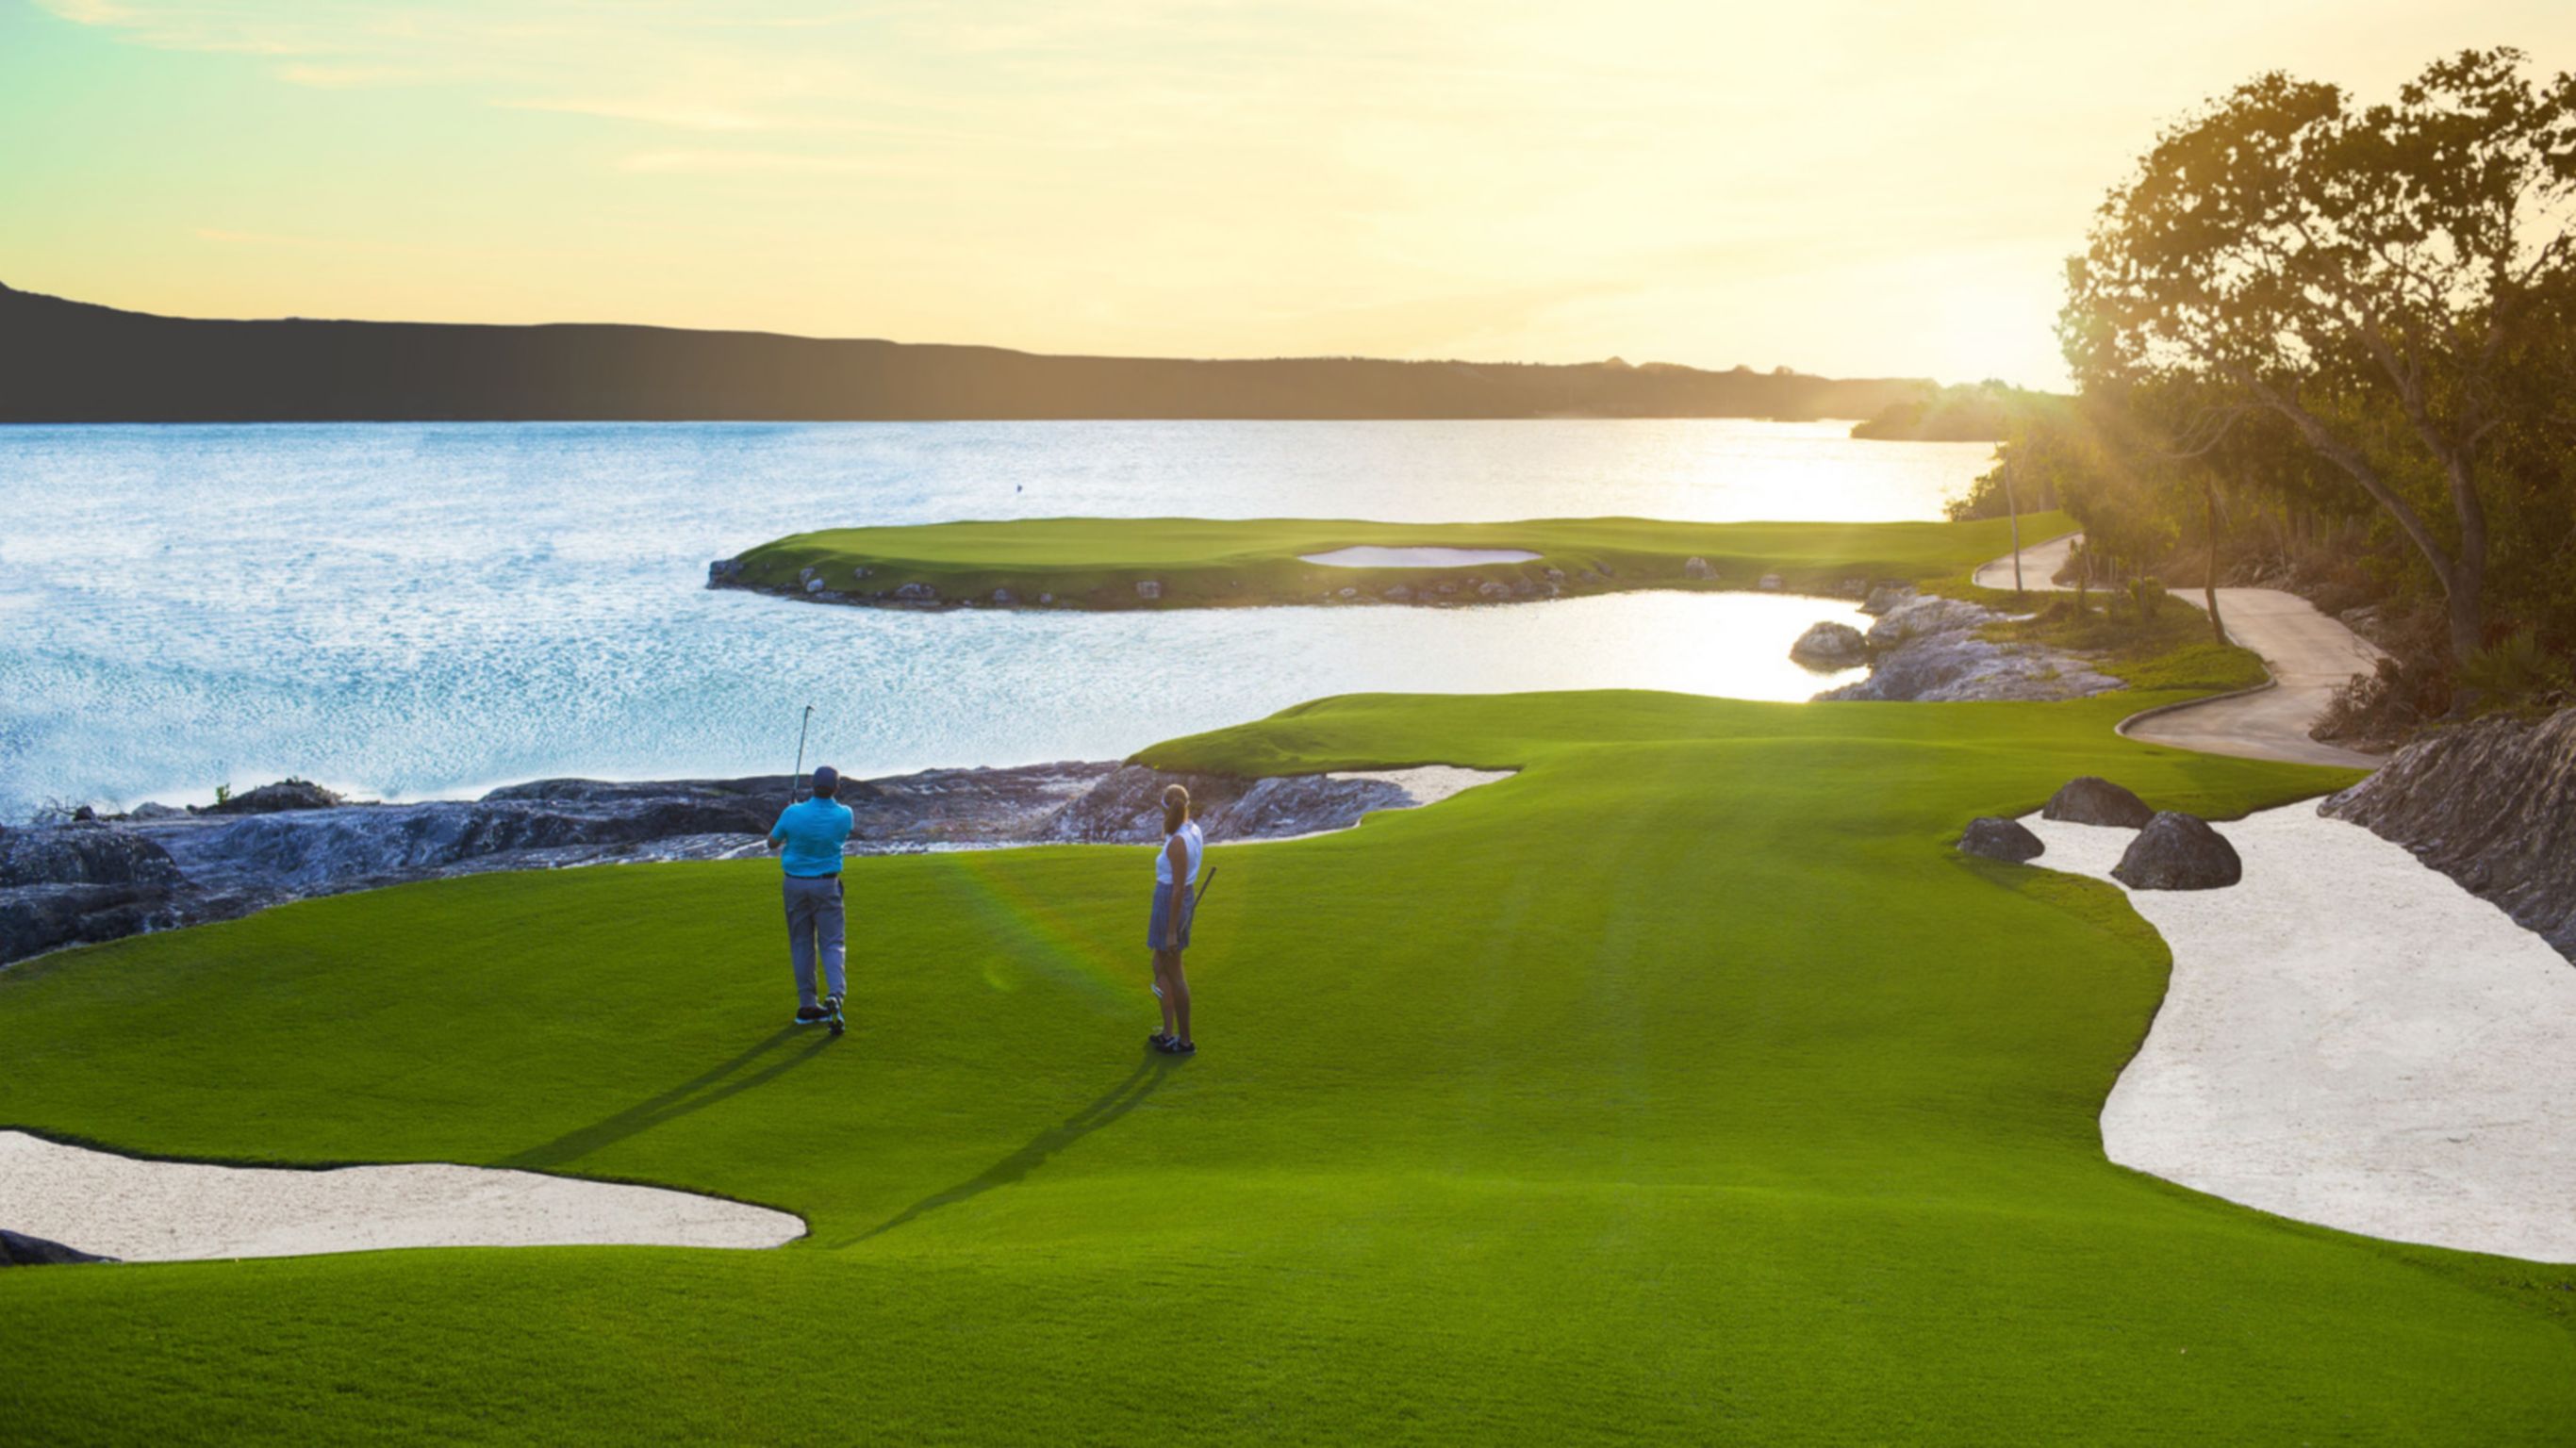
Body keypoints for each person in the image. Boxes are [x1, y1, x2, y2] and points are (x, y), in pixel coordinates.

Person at [768, 765, 856, 1026]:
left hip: (794, 884)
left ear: (812, 784)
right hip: (827, 884)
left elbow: (772, 842)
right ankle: (836, 995)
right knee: (832, 942)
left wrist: (790, 812)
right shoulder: (845, 814)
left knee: (801, 943)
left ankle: (807, 1005)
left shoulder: (792, 813)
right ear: (837, 787)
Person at [1148, 782, 1204, 1056]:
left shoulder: (1179, 841)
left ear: (1165, 808)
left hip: (1170, 902)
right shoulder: (1193, 830)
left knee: (1172, 971)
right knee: (1160, 965)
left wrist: (1171, 932)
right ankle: (1169, 1032)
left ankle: (1184, 1041)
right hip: (1179, 900)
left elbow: (1177, 888)